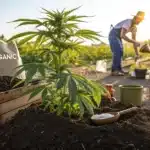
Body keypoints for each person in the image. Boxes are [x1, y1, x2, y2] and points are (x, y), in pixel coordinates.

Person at [109, 11, 145, 76]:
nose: (140, 22)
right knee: (117, 51)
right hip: (113, 34)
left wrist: (137, 54)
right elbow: (122, 35)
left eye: (141, 20)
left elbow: (134, 41)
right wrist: (134, 42)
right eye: (139, 20)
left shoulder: (134, 28)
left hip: (118, 36)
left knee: (121, 51)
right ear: (135, 18)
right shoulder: (128, 22)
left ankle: (119, 69)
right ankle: (114, 71)